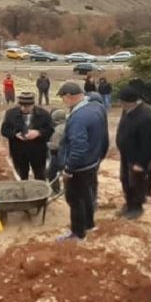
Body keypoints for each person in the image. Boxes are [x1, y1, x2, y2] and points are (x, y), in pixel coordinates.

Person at [58, 82, 108, 241]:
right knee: (87, 195)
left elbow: (78, 147)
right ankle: (89, 224)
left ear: (68, 96)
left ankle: (78, 233)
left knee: (74, 199)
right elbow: (104, 136)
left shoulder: (78, 118)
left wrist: (68, 169)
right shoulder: (96, 107)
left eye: (63, 98)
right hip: (93, 161)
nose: (63, 102)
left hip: (79, 167)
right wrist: (100, 156)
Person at [114, 88, 151, 220]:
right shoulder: (127, 110)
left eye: (122, 102)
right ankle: (129, 204)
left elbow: (148, 143)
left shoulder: (146, 116)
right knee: (125, 180)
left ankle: (136, 208)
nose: (121, 104)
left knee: (136, 183)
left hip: (138, 157)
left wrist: (141, 163)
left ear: (131, 102)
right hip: (126, 154)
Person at [0, 91, 54, 182]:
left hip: (38, 152)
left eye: (27, 106)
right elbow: (4, 130)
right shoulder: (10, 114)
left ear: (33, 104)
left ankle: (41, 195)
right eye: (22, 105)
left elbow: (50, 130)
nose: (24, 108)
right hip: (18, 152)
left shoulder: (44, 114)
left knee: (40, 176)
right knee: (22, 176)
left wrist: (38, 133)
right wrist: (15, 134)